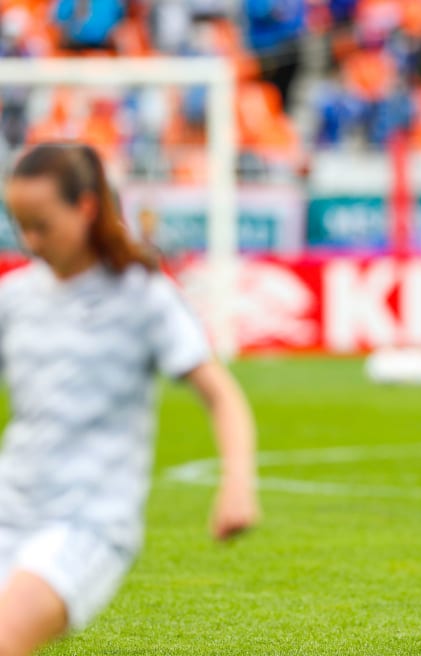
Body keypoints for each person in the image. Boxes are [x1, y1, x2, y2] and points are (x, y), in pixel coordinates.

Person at [0, 143, 259, 656]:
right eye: (19, 225)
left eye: (42, 225)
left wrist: (237, 486)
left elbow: (221, 396)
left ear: (87, 208)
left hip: (89, 524)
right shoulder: (16, 298)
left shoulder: (141, 296)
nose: (30, 240)